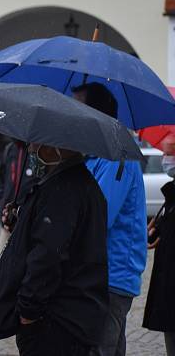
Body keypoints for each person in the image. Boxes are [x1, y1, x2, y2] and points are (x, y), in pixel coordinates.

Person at [0, 142, 108, 355]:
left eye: (37, 144)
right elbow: (51, 232)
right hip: (69, 318)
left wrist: (28, 311)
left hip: (57, 322)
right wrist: (21, 219)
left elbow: (48, 255)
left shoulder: (64, 189)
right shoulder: (73, 183)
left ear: (56, 148)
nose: (32, 150)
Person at [72, 82, 146, 356]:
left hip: (110, 277)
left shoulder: (116, 155)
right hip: (95, 275)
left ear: (97, 114)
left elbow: (97, 215)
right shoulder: (93, 155)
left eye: (77, 108)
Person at [143, 156, 175, 353]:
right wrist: (156, 232)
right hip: (168, 285)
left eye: (172, 150)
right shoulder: (171, 194)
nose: (167, 158)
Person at [0, 139, 29, 249]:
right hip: (8, 222)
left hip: (27, 222)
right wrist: (1, 206)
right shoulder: (9, 150)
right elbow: (1, 182)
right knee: (3, 262)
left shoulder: (36, 152)